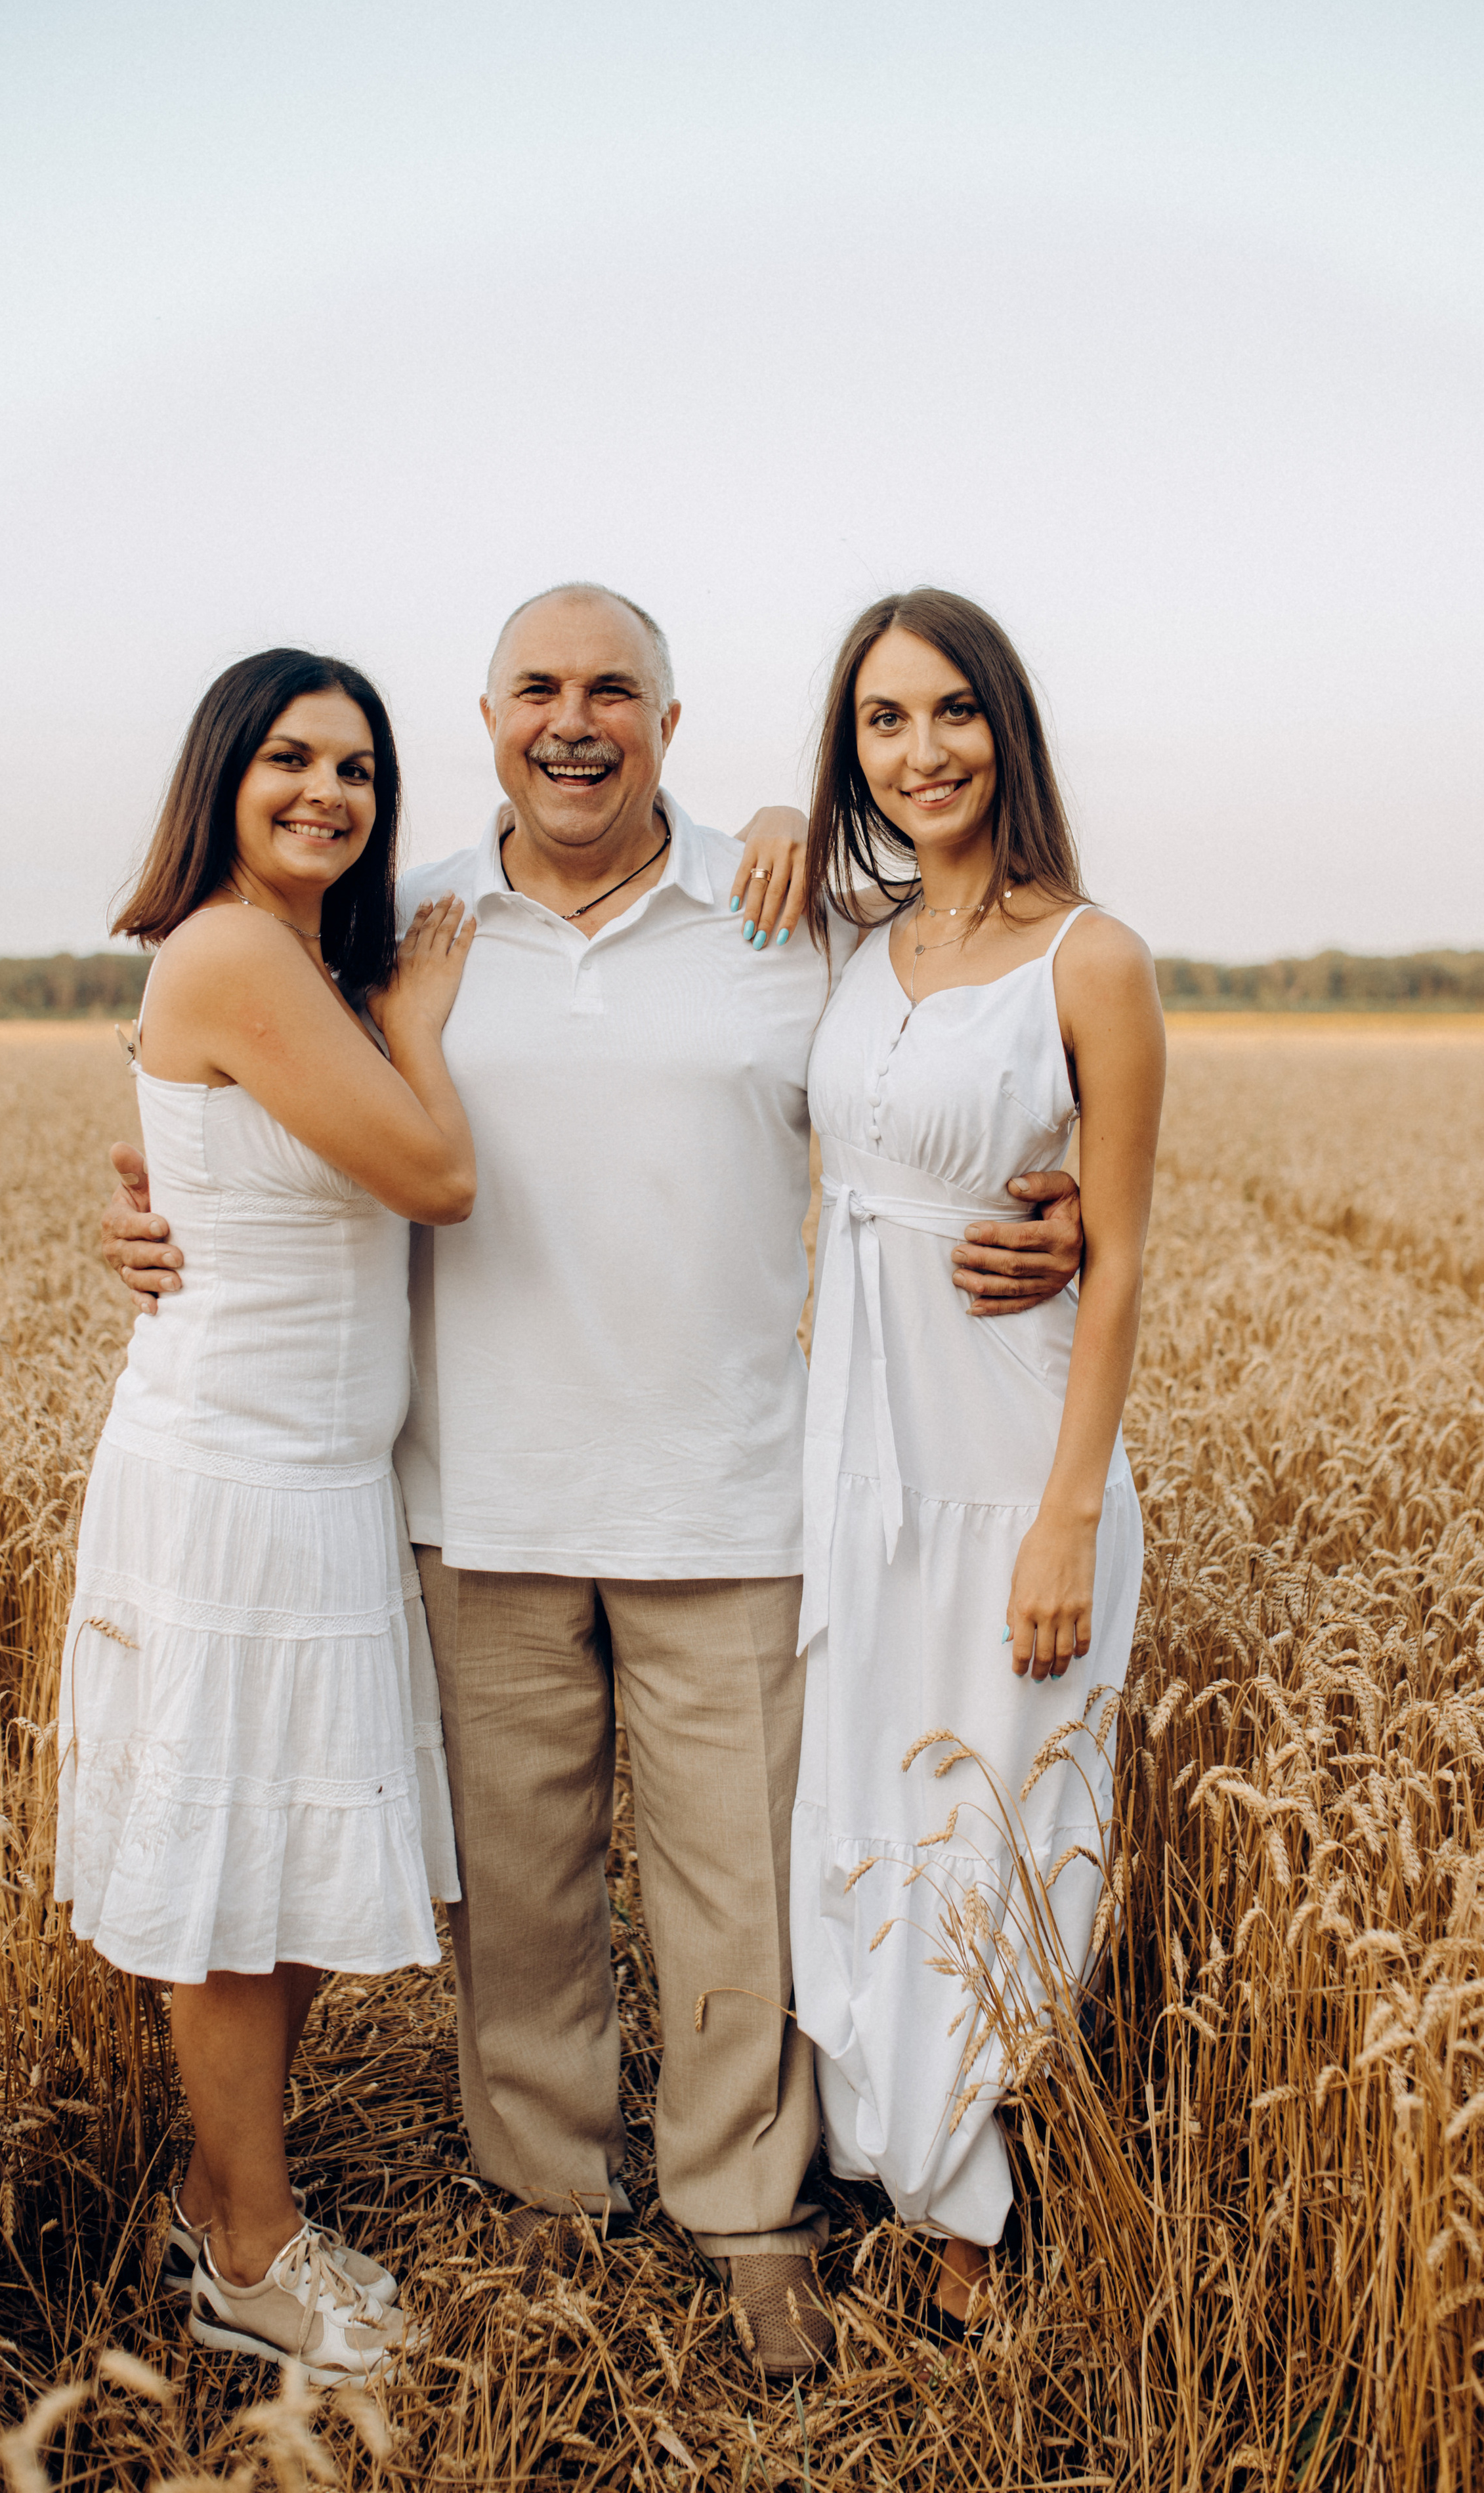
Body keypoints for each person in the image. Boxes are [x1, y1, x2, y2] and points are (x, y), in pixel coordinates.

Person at [102, 586, 1086, 2376]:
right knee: (524, 1904)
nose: (576, 720)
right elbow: (220, 1102)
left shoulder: (790, 912)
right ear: (482, 722)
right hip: (471, 1489)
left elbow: (961, 1065)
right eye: (537, 689)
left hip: (731, 1489)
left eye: (612, 689)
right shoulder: (396, 931)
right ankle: (545, 2207)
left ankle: (744, 2213)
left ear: (671, 723)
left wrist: (1068, 1204)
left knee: (736, 1895)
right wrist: (142, 1212)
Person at [58, 647, 477, 2384]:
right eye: (293, 758)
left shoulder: (286, 953)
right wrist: (424, 1035)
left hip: (305, 1477)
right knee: (241, 1891)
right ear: (224, 774)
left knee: (280, 1875)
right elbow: (437, 1175)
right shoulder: (241, 948)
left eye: (360, 768)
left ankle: (223, 2195)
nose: (329, 792)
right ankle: (244, 2248)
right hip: (237, 1479)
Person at [790, 589, 1164, 2345]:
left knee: (998, 1825)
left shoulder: (1090, 955)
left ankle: (975, 2233)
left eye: (950, 713)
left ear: (1005, 727)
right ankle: (899, 2158)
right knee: (869, 1802)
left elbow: (1128, 1253)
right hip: (854, 1463)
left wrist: (1066, 1519)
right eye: (882, 721)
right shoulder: (847, 936)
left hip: (1005, 1465)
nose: (919, 751)